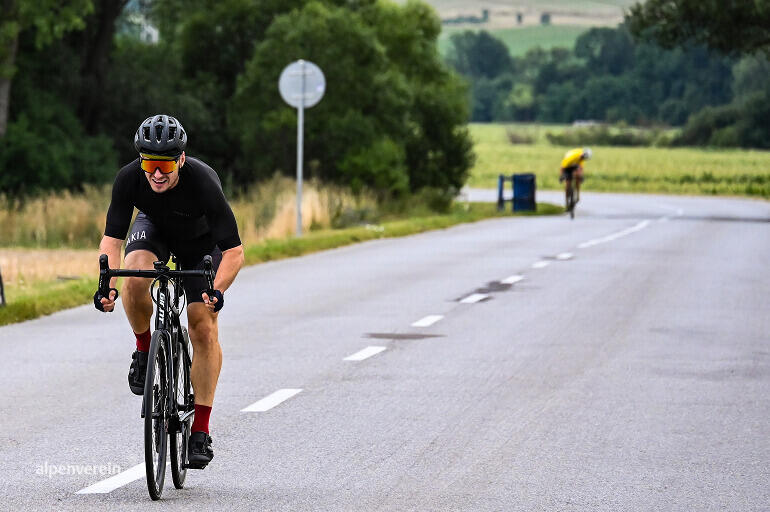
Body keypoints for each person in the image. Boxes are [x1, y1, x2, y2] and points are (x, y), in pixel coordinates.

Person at [94, 114, 244, 469]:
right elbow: (112, 240)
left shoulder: (203, 182)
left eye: (164, 164)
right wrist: (106, 285)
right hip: (155, 230)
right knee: (134, 278)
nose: (156, 173)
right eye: (149, 163)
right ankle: (145, 350)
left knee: (202, 325)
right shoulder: (129, 179)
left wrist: (217, 291)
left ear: (180, 159)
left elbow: (235, 251)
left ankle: (201, 433)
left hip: (202, 245)